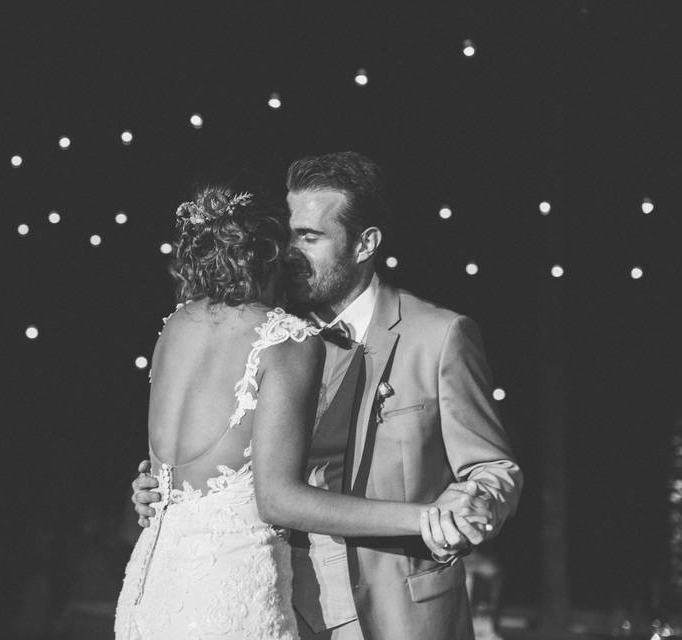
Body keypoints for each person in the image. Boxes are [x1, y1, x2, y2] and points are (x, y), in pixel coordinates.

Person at [131, 153, 523, 640]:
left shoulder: (439, 335)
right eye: (289, 234)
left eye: (311, 237)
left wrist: (470, 506)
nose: (291, 252)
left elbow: (493, 467)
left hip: (397, 608)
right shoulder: (264, 330)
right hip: (274, 601)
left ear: (366, 244)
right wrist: (160, 489)